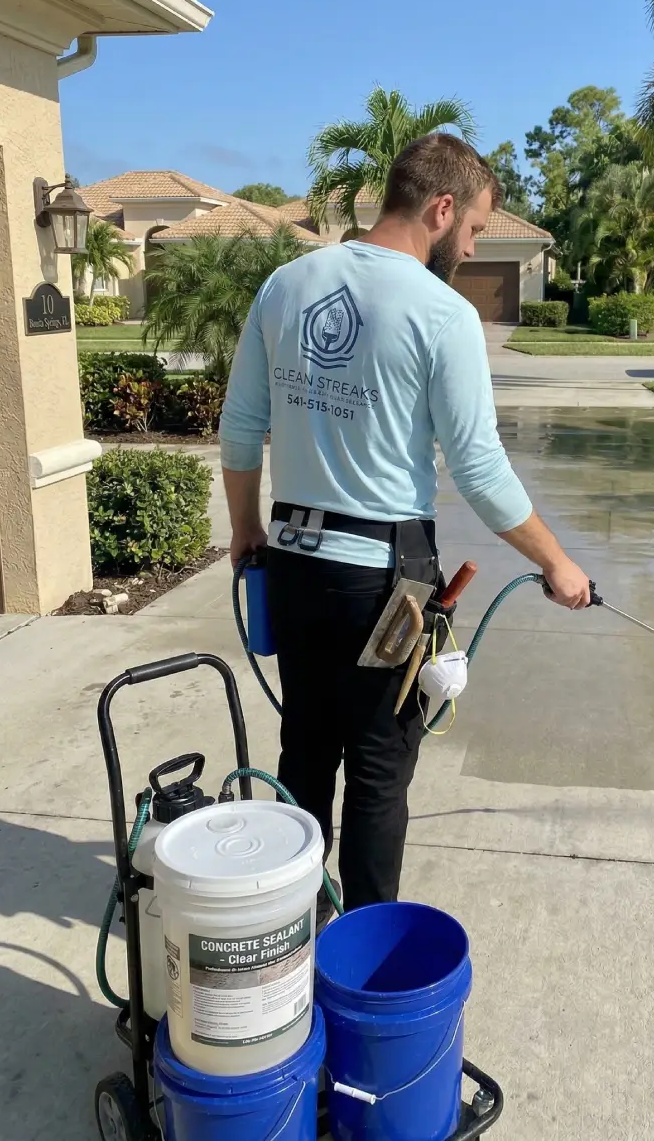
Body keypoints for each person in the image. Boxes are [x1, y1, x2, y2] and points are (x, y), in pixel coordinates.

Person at [219, 133, 590, 919]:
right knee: (380, 770)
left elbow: (241, 425)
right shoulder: (441, 313)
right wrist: (558, 562)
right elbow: (481, 470)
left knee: (305, 752)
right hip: (383, 583)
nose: (474, 243)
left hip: (291, 563)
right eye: (478, 229)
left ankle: (295, 932)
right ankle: (362, 957)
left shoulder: (286, 285)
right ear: (441, 207)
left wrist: (246, 528)